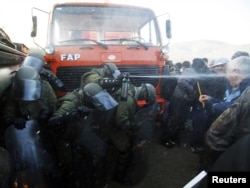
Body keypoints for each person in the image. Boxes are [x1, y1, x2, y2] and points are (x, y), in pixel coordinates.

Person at [48, 82, 118, 188]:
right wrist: (74, 113)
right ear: (87, 98)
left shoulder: (87, 97)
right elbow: (53, 121)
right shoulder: (71, 103)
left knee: (90, 158)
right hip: (64, 137)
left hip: (78, 132)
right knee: (69, 166)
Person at [2, 66, 59, 187]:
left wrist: (48, 111)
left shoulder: (45, 87)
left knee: (51, 157)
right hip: (25, 131)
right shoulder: (14, 92)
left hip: (43, 128)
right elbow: (7, 114)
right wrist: (13, 119)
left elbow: (54, 104)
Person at [201, 56, 250, 169]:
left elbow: (233, 112)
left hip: (232, 149)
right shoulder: (236, 86)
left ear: (236, 72)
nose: (226, 77)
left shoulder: (247, 93)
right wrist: (211, 99)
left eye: (226, 73)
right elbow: (228, 103)